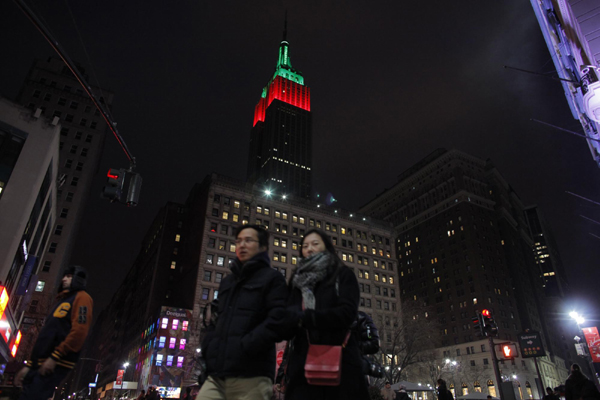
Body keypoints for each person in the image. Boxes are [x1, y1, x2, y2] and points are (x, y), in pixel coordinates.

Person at [197, 225, 288, 400]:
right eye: (238, 241)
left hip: (252, 375)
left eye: (248, 240)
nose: (242, 245)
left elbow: (278, 320)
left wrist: (246, 345)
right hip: (217, 375)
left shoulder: (273, 278)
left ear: (262, 247)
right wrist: (209, 347)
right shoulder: (227, 282)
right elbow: (217, 321)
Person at [283, 229, 369, 400]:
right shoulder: (296, 281)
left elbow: (347, 313)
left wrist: (308, 318)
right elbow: (289, 318)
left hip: (342, 363)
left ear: (327, 247)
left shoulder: (342, 275)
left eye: (315, 244)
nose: (309, 248)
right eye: (305, 245)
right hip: (303, 365)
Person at [15, 266, 93, 400]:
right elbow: (45, 336)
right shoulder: (62, 301)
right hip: (40, 362)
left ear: (77, 279)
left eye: (69, 276)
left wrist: (56, 356)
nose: (64, 279)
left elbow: (80, 331)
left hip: (57, 361)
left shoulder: (82, 298)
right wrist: (29, 366)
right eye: (65, 276)